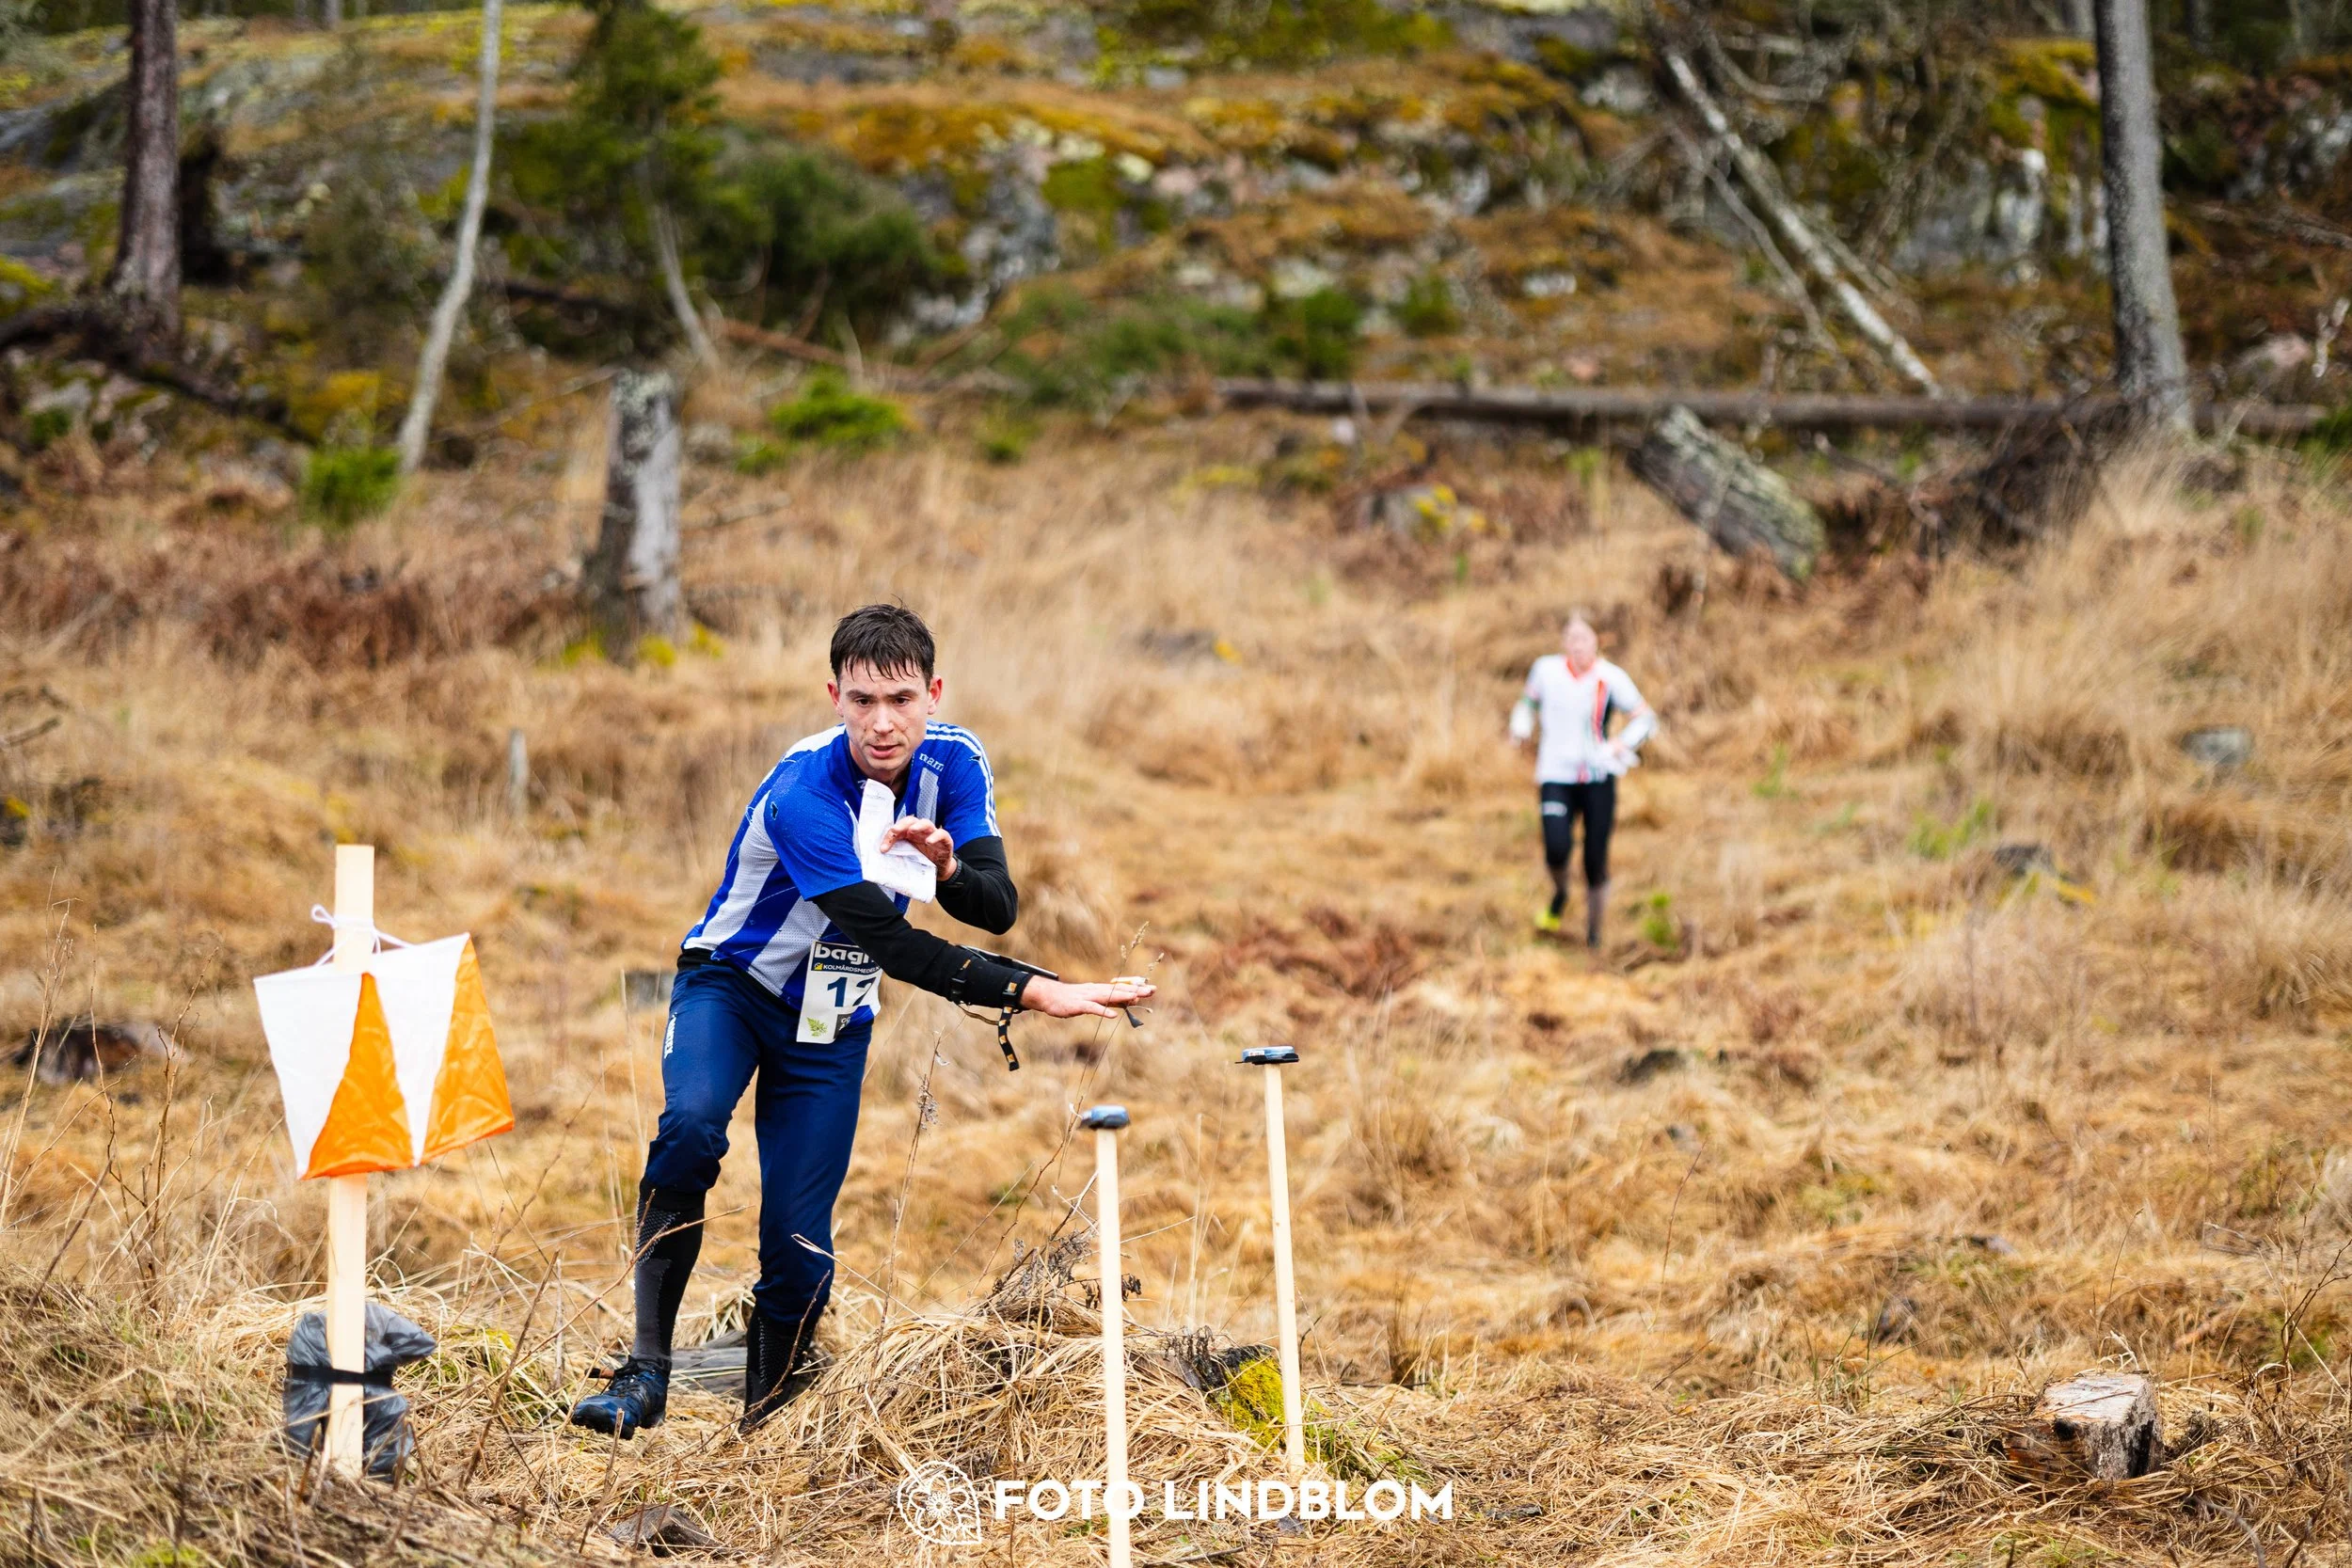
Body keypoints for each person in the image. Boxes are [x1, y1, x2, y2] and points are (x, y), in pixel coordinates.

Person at [571, 604, 1152, 1439]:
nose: (884, 722)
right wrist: (1035, 991)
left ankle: (765, 1425)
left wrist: (948, 864)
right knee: (692, 1128)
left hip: (832, 1018)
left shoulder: (956, 760)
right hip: (733, 986)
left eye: (903, 699)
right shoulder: (804, 792)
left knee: (801, 1244)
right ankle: (646, 1371)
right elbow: (887, 939)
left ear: (934, 693)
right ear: (834, 695)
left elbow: (995, 905)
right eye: (863, 700)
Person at [1509, 612, 1656, 948]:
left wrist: (1622, 743)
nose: (1578, 645)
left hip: (1597, 777)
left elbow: (1646, 718)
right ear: (1564, 643)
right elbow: (1526, 704)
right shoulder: (1545, 670)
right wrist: (1520, 727)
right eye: (1571, 638)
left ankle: (1594, 932)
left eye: (1584, 638)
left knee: (1594, 858)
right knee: (1557, 848)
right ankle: (1560, 894)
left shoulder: (1611, 678)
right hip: (1555, 775)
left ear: (1596, 642)